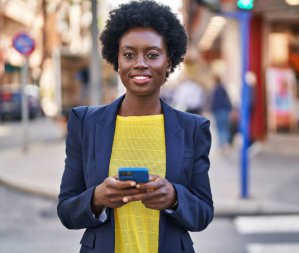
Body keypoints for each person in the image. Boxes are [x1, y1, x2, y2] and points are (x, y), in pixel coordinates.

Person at [57, 1, 213, 253]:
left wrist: (174, 198)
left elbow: (203, 213)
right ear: (116, 61)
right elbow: (66, 210)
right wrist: (97, 198)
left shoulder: (193, 128)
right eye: (129, 55)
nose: (140, 63)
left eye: (152, 54)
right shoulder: (85, 123)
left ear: (168, 61)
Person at [210, 76, 232, 151]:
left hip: (218, 111)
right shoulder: (223, 89)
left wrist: (211, 109)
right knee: (225, 128)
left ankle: (222, 145)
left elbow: (213, 102)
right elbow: (228, 100)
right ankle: (225, 143)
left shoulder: (215, 90)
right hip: (225, 110)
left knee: (220, 129)